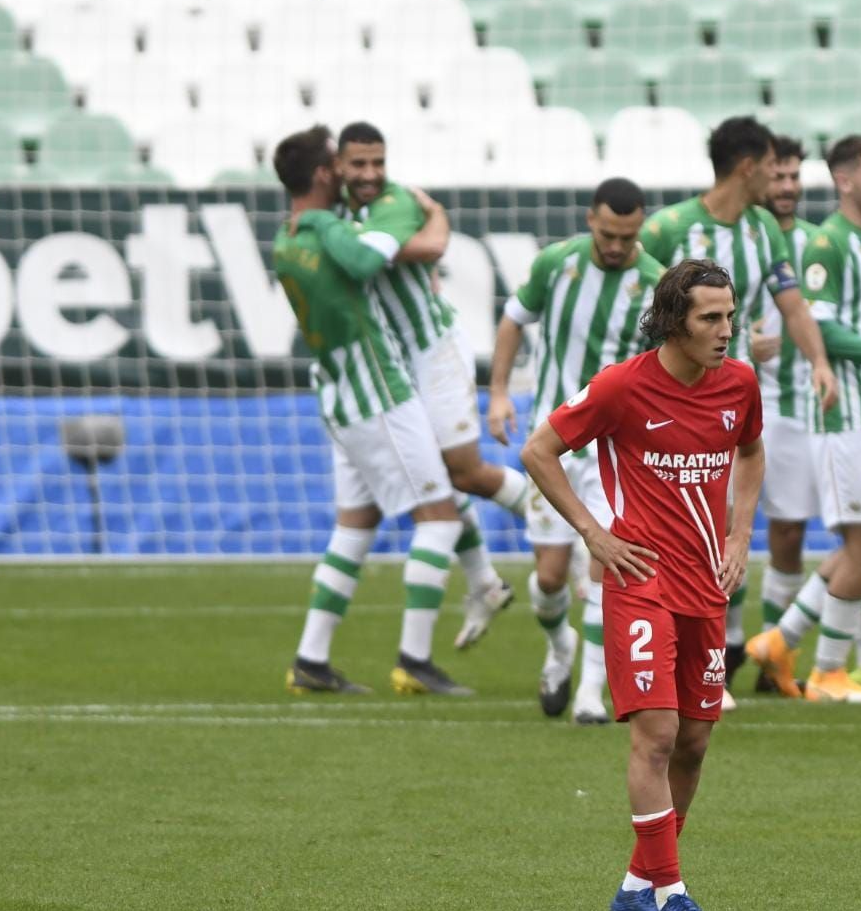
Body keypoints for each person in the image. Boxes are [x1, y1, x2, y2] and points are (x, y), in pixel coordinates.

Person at [519, 259, 764, 911]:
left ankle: (636, 885)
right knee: (655, 737)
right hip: (641, 582)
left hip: (705, 586)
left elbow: (750, 451)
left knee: (693, 742)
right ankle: (671, 892)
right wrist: (594, 533)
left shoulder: (739, 382)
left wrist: (740, 535)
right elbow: (539, 449)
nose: (725, 329)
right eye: (709, 318)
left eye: (729, 314)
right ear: (672, 321)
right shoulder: (622, 387)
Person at [642, 116, 837, 692]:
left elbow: (793, 304)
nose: (778, 178)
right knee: (701, 528)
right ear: (748, 167)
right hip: (679, 405)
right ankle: (700, 654)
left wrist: (819, 361)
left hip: (747, 400)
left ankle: (742, 655)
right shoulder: (669, 228)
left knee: (752, 526)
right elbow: (643, 317)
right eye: (770, 166)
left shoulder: (761, 230)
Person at [273, 125, 468, 697]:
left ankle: (311, 659)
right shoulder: (329, 227)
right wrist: (434, 227)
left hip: (337, 394)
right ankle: (415, 659)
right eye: (337, 166)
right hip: (376, 393)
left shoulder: (287, 237)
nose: (347, 175)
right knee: (440, 516)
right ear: (321, 175)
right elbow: (364, 261)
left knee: (354, 527)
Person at [337, 122, 530, 651]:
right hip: (394, 363)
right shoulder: (335, 217)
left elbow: (434, 243)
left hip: (434, 352)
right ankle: (486, 582)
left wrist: (420, 230)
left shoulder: (396, 202)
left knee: (464, 470)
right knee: (435, 476)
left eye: (378, 162)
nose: (371, 174)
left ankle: (566, 528)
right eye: (359, 164)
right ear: (338, 166)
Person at [483, 178, 663, 724]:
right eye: (608, 233)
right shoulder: (556, 264)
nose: (615, 245)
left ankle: (591, 692)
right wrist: (496, 392)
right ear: (590, 219)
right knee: (551, 578)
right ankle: (559, 648)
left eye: (627, 237)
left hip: (615, 449)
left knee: (606, 566)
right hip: (552, 440)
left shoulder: (656, 283)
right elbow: (515, 318)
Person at [746, 135, 861, 704]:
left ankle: (780, 642)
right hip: (844, 416)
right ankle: (830, 671)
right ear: (844, 181)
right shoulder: (827, 245)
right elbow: (825, 330)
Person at [745, 137, 822, 689]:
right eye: (778, 176)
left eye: (795, 176)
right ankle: (720, 652)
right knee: (722, 528)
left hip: (796, 402)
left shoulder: (821, 244)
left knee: (790, 531)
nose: (788, 187)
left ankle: (774, 654)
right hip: (736, 398)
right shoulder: (736, 236)